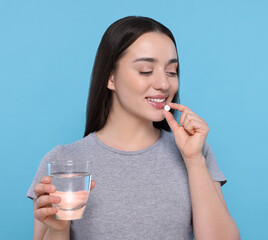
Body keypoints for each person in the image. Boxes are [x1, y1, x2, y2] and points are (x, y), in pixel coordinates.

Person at [27, 16, 240, 240]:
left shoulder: (195, 151)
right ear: (110, 78)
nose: (164, 84)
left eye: (172, 71)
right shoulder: (62, 162)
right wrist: (58, 229)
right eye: (146, 70)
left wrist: (194, 160)